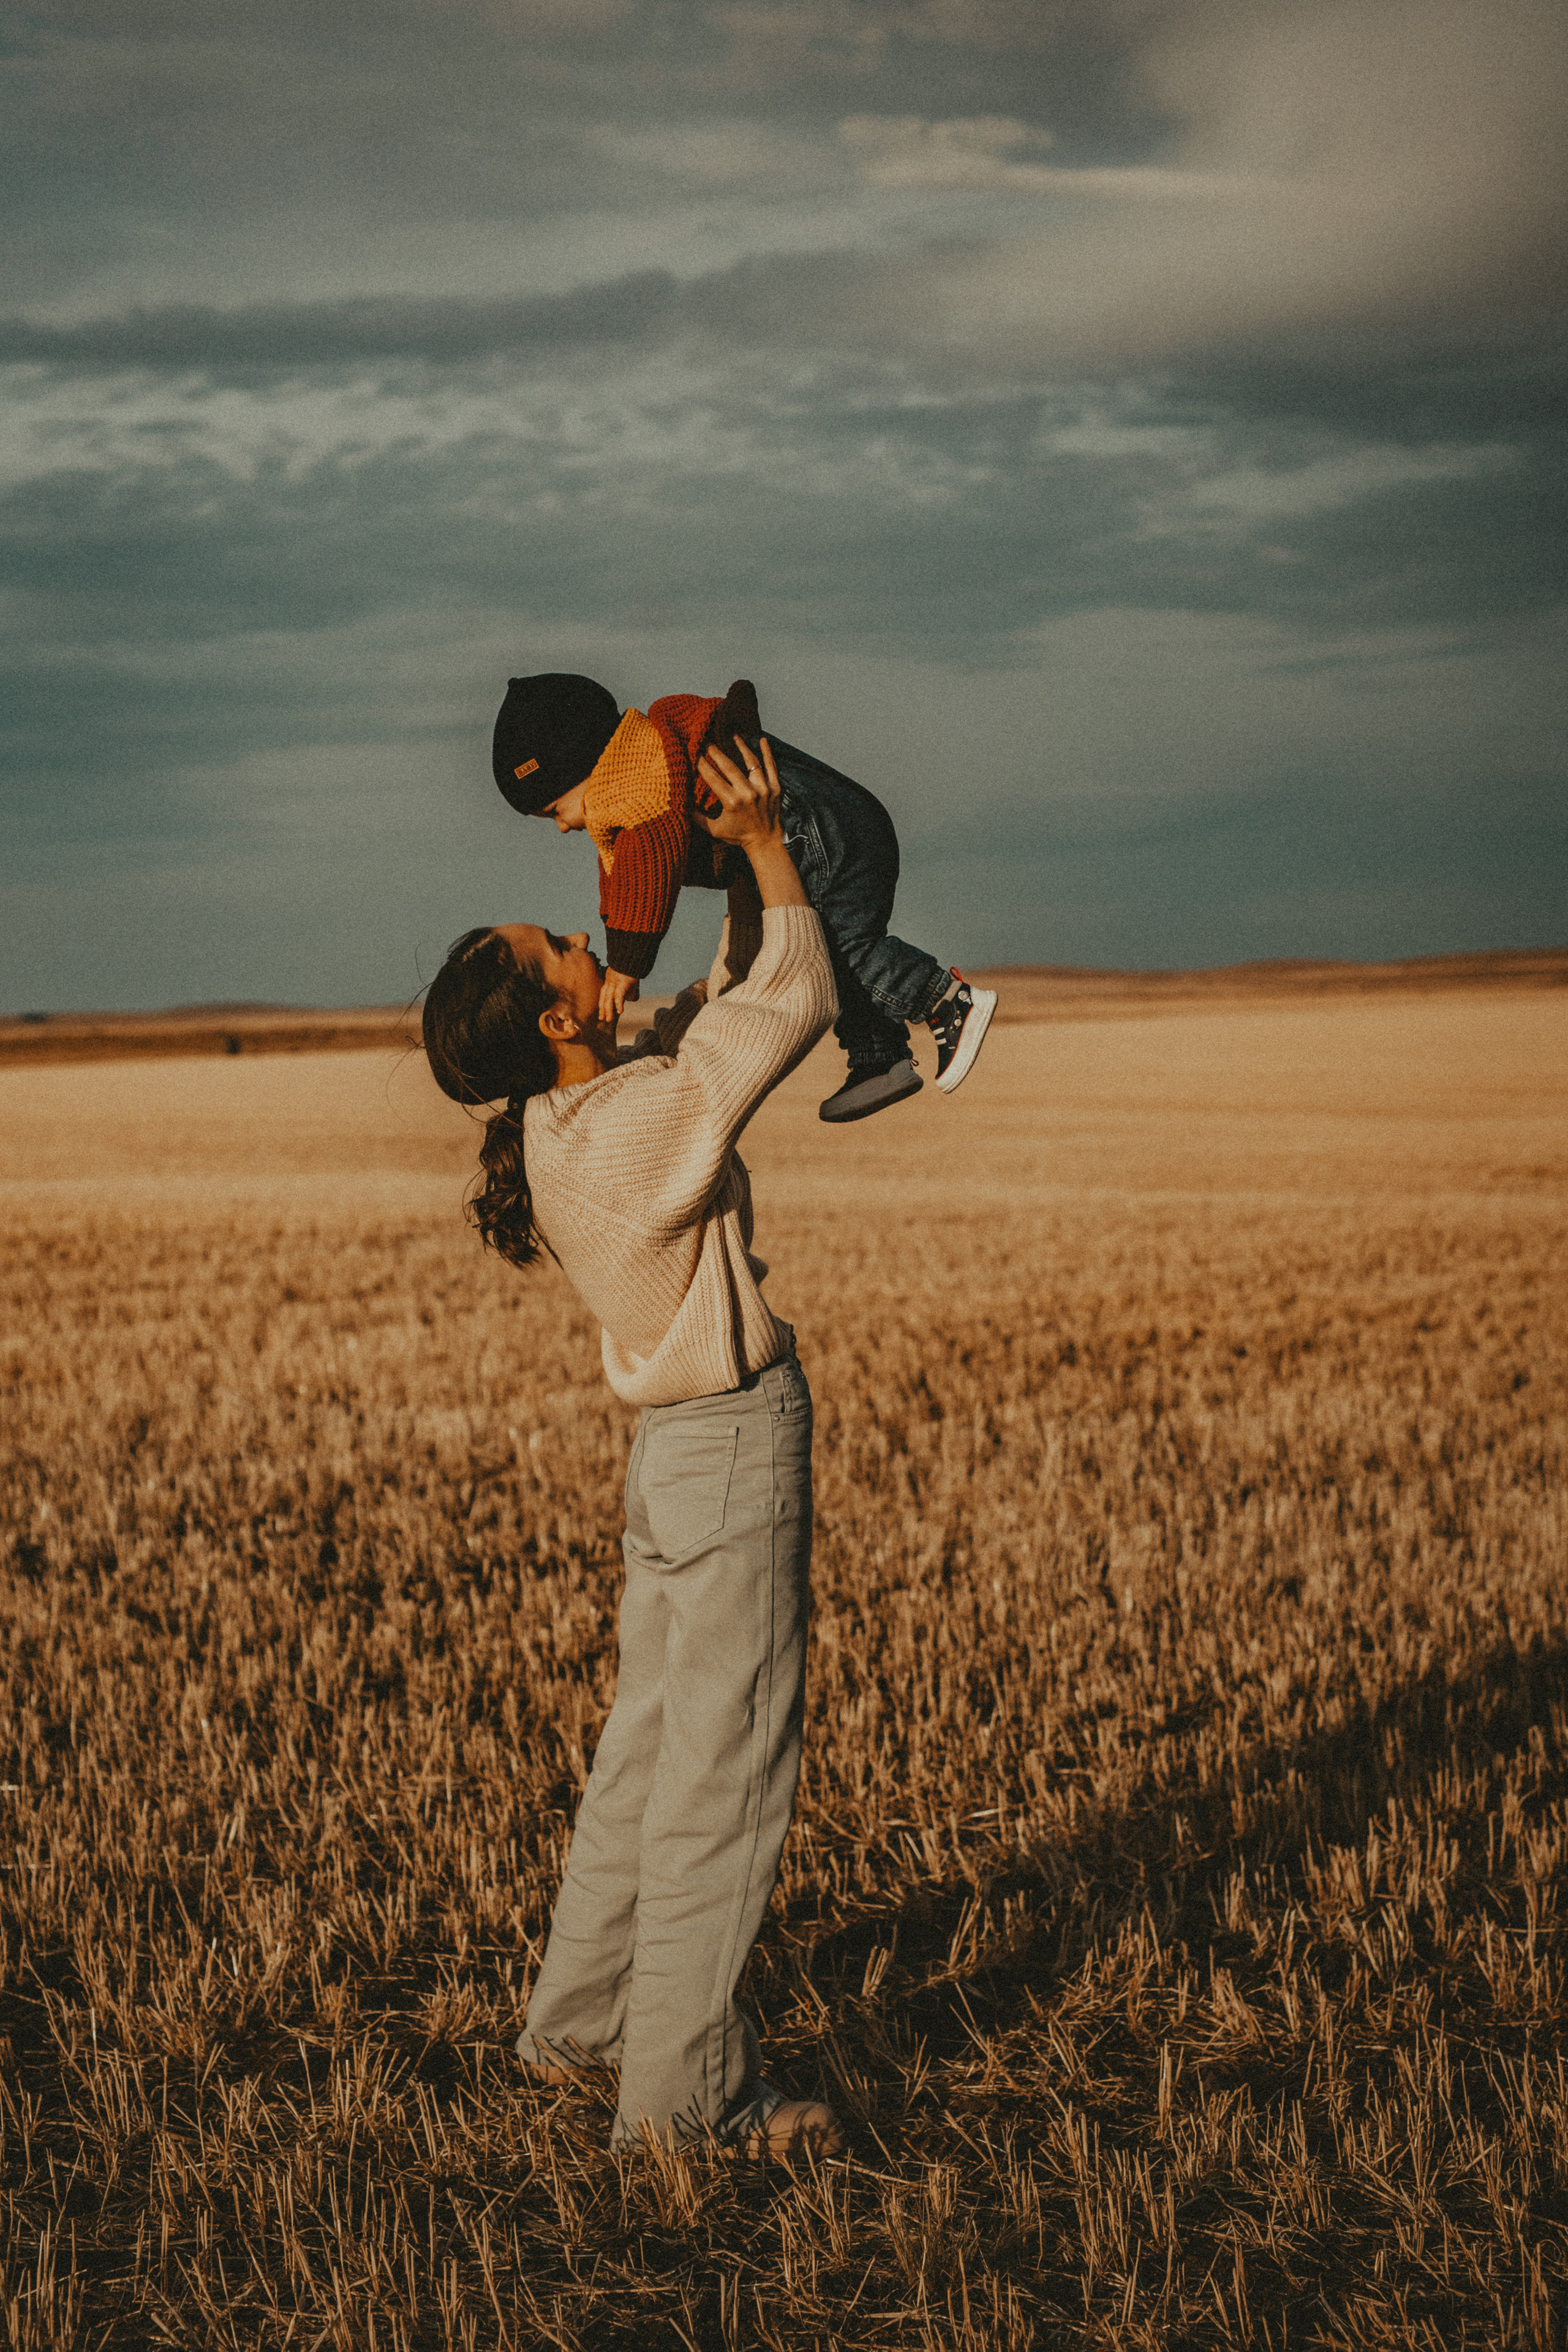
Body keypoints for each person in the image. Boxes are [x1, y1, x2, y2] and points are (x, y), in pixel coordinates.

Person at [423, 736, 846, 2162]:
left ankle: (582, 2025)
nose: (596, 940)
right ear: (552, 1018)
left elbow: (714, 1010)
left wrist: (722, 859)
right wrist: (773, 846)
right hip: (725, 1448)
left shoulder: (569, 1122)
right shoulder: (629, 1122)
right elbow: (784, 1001)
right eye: (565, 947)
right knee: (720, 1776)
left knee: (649, 1750)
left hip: (675, 1463)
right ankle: (683, 2102)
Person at [489, 669, 997, 1124]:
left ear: (585, 769)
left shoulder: (635, 790)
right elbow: (622, 878)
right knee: (827, 946)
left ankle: (945, 1000)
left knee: (840, 951)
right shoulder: (644, 773)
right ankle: (877, 1056)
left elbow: (645, 874)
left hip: (815, 830)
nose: (561, 829)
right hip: (833, 824)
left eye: (556, 810)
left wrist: (627, 964)